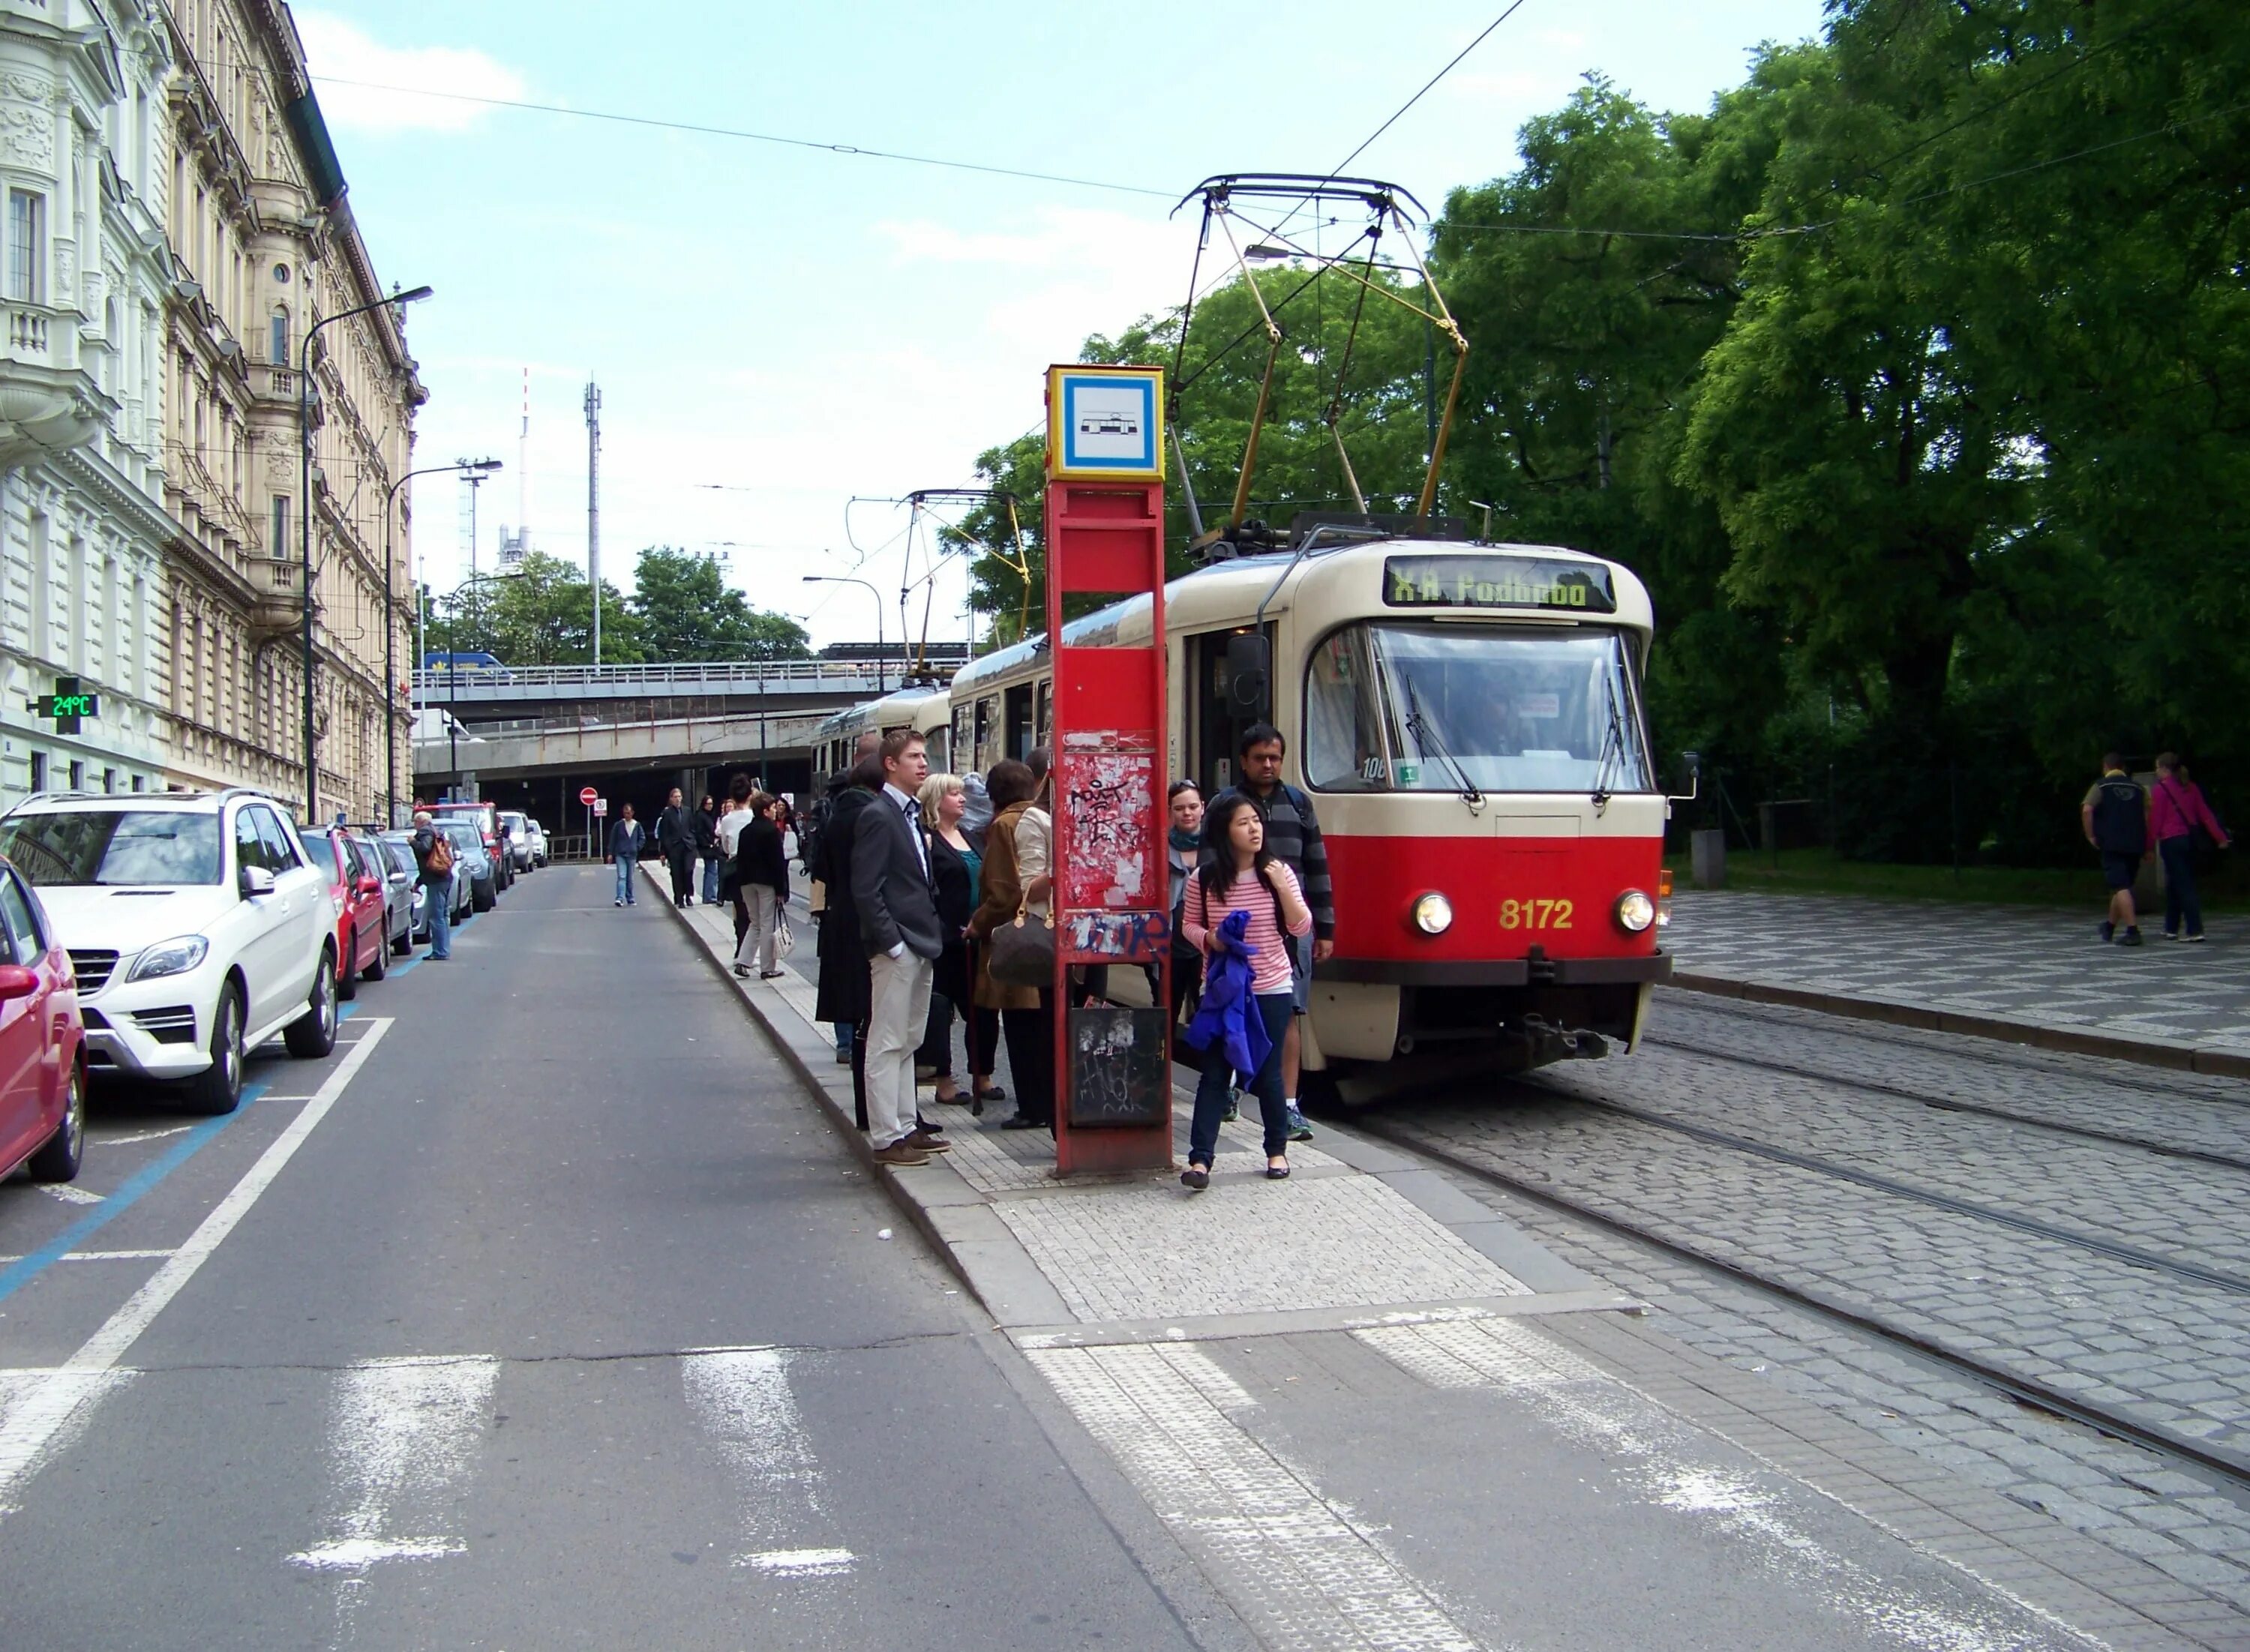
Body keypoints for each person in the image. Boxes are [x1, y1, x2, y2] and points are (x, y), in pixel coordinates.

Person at [1178, 792, 1313, 1190]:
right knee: (1215, 1073)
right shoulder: (1203, 879)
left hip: (1270, 986)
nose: (1254, 828)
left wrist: (1280, 884)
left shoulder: (1278, 873)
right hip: (1222, 988)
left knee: (1268, 1071)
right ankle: (1200, 1162)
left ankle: (1276, 1151)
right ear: (1224, 831)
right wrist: (1212, 939)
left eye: (1256, 820)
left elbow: (1301, 927)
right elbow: (1188, 927)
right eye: (1243, 822)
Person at [1208, 724, 1332, 1139]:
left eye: (1274, 758)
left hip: (1290, 933)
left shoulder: (1298, 805)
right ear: (1243, 761)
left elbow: (1317, 867)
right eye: (1259, 758)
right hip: (1236, 936)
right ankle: (1230, 1092)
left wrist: (1325, 929)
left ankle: (1290, 1106)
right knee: (1233, 1013)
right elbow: (1209, 875)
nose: (1268, 765)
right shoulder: (1224, 806)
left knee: (1290, 1016)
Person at [852, 730, 946, 1166]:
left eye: (924, 756)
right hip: (899, 947)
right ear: (891, 764)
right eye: (913, 757)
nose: (923, 764)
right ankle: (887, 1136)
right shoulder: (879, 814)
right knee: (887, 1042)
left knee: (909, 1039)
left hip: (919, 942)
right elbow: (866, 889)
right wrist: (891, 945)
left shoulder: (910, 814)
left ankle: (906, 1125)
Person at [971, 760, 1053, 1131]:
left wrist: (977, 923)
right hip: (1047, 933)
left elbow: (1006, 891)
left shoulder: (1005, 825)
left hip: (1016, 939)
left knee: (1021, 1028)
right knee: (1041, 1026)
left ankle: (1032, 1107)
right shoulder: (1044, 817)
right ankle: (1046, 1103)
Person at [916, 773, 1002, 1111]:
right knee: (941, 1010)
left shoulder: (972, 836)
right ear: (936, 801)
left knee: (983, 1010)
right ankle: (944, 1080)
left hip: (978, 937)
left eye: (962, 793)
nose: (962, 798)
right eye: (954, 793)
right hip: (946, 940)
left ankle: (983, 1075)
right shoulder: (928, 841)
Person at [814, 754, 884, 1112]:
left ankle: (865, 1108)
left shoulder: (835, 816)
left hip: (840, 918)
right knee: (876, 1020)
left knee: (860, 1019)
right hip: (868, 926)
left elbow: (822, 867)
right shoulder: (872, 816)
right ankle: (875, 1110)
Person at [2151, 752, 2230, 942]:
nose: (2156, 771)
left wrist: (2147, 846)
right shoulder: (2190, 788)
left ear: (2164, 768)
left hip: (2170, 841)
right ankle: (2171, 927)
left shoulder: (2160, 790)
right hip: (2189, 840)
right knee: (2175, 882)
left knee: (2184, 885)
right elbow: (2206, 815)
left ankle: (2195, 929)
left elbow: (2155, 820)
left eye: (2157, 767)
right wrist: (2220, 837)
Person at [2082, 754, 2151, 946]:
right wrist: (2148, 844)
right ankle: (2110, 926)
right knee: (2123, 886)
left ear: (2106, 767)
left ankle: (2132, 930)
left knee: (2120, 887)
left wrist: (2091, 835)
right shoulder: (2139, 788)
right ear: (2123, 768)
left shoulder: (2101, 786)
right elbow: (2147, 817)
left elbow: (2087, 809)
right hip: (2135, 842)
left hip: (2112, 842)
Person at [734, 791, 791, 979]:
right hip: (766, 882)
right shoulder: (771, 831)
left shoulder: (745, 832)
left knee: (755, 922)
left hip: (746, 882)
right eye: (774, 808)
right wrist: (781, 889)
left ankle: (743, 961)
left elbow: (740, 860)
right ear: (766, 811)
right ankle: (767, 967)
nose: (776, 811)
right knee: (767, 924)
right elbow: (777, 862)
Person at [1159, 780, 1204, 1015]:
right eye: (1179, 808)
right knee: (1166, 1011)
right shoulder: (1158, 848)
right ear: (1169, 812)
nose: (1187, 813)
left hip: (1205, 947)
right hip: (1169, 947)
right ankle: (1168, 1053)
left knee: (1207, 1012)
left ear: (1202, 808)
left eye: (1193, 807)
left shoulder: (1216, 846)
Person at [409, 810, 454, 961]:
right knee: (443, 915)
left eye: (415, 822)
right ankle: (443, 949)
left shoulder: (425, 832)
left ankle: (440, 951)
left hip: (436, 880)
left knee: (436, 917)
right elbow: (429, 861)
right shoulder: (435, 831)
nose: (414, 826)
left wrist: (413, 842)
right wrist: (419, 882)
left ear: (420, 822)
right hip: (443, 877)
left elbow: (426, 849)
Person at [716, 775, 755, 949]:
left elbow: (725, 847)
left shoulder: (726, 820)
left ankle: (741, 946)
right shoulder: (755, 816)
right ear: (750, 795)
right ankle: (751, 951)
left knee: (740, 909)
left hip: (735, 866)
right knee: (756, 912)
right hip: (755, 866)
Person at [658, 787, 696, 907]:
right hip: (675, 847)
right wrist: (664, 851)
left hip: (688, 845)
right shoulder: (667, 813)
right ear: (671, 799)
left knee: (688, 871)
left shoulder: (688, 811)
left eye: (679, 797)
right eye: (675, 797)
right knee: (677, 874)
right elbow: (664, 833)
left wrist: (692, 840)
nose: (678, 799)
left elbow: (692, 827)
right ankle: (680, 898)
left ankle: (688, 895)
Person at [608, 802, 646, 907]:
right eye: (625, 813)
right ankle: (619, 898)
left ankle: (630, 898)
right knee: (622, 876)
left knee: (630, 878)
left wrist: (636, 848)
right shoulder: (618, 825)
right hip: (620, 854)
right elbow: (613, 840)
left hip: (632, 855)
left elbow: (642, 838)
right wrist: (611, 853)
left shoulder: (637, 825)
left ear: (632, 813)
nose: (627, 815)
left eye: (629, 813)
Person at [695, 793, 722, 906]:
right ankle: (709, 895)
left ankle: (709, 894)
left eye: (711, 804)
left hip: (709, 845)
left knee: (710, 870)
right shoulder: (701, 816)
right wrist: (708, 843)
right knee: (712, 871)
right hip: (707, 847)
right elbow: (700, 832)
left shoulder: (709, 816)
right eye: (708, 804)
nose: (710, 806)